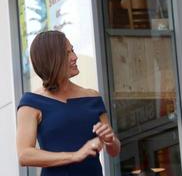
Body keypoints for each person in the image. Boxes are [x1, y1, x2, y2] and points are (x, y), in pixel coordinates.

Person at [16, 30, 121, 176]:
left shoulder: (92, 97)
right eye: (67, 53)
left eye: (73, 50)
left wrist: (110, 140)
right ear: (52, 59)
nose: (75, 57)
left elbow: (114, 151)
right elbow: (24, 155)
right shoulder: (31, 102)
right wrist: (75, 155)